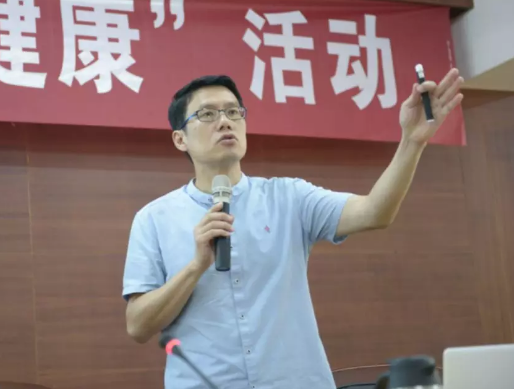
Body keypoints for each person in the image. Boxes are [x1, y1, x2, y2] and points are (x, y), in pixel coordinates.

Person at [121, 71, 464, 389]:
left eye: (233, 112)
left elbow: (375, 212)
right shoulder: (153, 218)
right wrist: (195, 267)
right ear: (180, 139)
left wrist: (411, 141)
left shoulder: (289, 197)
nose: (225, 121)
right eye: (207, 114)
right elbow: (138, 325)